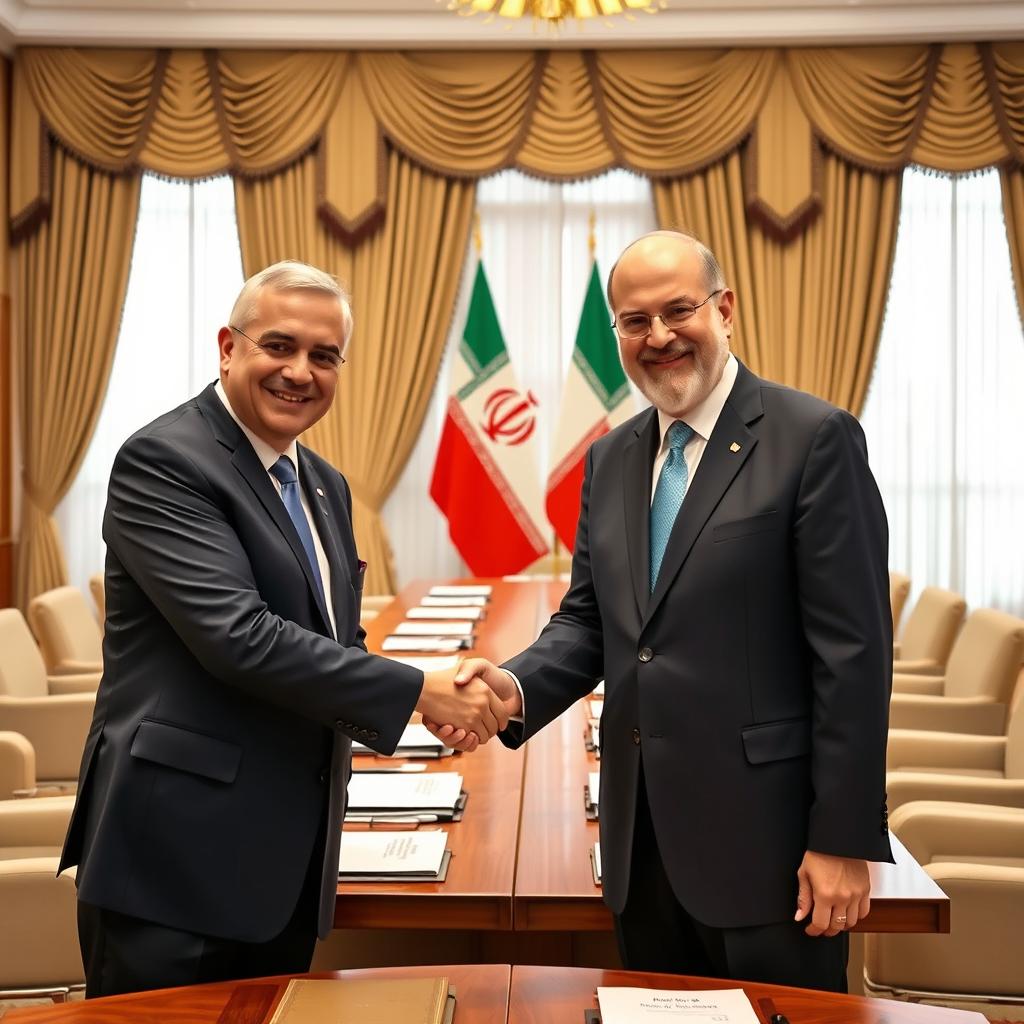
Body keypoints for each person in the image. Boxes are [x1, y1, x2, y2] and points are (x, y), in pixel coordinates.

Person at [430, 231, 893, 991]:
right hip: (640, 845)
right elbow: (589, 622)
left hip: (771, 854)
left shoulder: (812, 439)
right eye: (635, 321)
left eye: (679, 310)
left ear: (726, 309)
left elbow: (854, 656)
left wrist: (841, 839)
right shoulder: (611, 459)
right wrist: (510, 689)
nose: (660, 336)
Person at [59, 261, 508, 997]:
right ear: (228, 348)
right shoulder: (166, 460)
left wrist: (432, 704)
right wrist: (420, 692)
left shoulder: (322, 483)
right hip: (174, 863)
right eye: (279, 346)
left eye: (324, 356)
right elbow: (240, 638)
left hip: (284, 862)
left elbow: (333, 643)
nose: (300, 372)